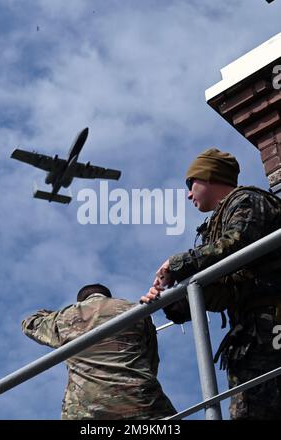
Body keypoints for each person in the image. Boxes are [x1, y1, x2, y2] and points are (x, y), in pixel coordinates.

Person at [141, 148, 281, 420]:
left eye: (190, 183)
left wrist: (178, 263)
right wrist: (169, 299)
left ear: (209, 176)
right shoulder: (216, 225)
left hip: (271, 327)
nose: (189, 194)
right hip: (254, 336)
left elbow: (238, 242)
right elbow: (223, 291)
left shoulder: (247, 200)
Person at [22, 283, 176, 420]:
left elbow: (30, 323)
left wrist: (56, 313)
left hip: (87, 410)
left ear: (81, 300)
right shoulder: (135, 310)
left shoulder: (65, 318)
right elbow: (151, 361)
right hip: (143, 402)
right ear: (109, 296)